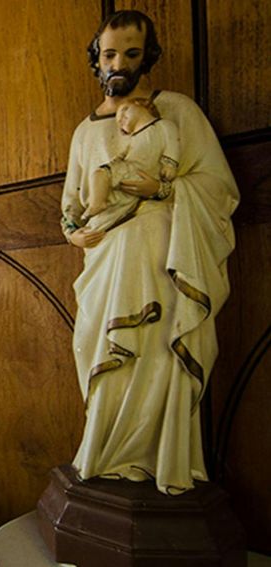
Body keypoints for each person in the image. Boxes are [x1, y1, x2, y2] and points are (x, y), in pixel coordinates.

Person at [60, 10, 238, 495]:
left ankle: (157, 457)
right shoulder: (84, 131)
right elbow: (71, 205)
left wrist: (162, 192)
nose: (119, 63)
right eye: (110, 53)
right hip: (103, 259)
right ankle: (104, 450)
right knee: (92, 345)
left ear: (148, 57)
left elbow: (216, 186)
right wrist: (72, 233)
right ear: (96, 59)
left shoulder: (176, 109)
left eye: (131, 53)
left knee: (157, 350)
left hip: (161, 254)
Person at [82, 97, 179, 232]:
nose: (121, 118)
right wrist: (115, 162)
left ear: (142, 105)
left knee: (102, 175)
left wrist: (170, 164)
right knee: (101, 177)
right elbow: (123, 155)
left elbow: (172, 142)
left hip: (142, 173)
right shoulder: (134, 138)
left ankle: (98, 206)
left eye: (125, 109)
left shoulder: (163, 125)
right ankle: (97, 206)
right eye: (119, 121)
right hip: (129, 169)